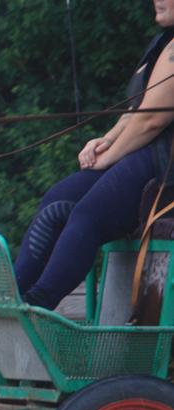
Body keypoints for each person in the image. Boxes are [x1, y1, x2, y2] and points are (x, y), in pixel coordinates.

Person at [14, 0, 174, 310]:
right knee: (57, 201)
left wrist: (111, 156)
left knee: (87, 214)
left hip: (166, 168)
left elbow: (152, 120)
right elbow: (137, 111)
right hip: (145, 152)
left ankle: (37, 307)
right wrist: (106, 140)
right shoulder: (163, 43)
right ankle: (12, 296)